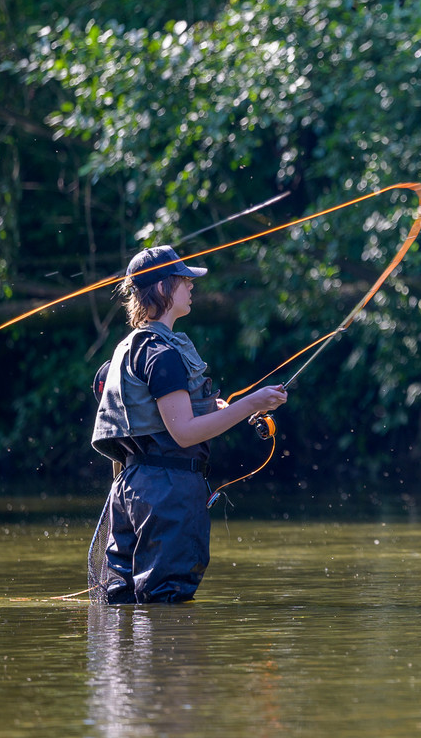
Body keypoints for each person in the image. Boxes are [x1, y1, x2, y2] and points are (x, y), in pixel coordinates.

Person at [90, 245, 287, 603]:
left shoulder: (125, 351)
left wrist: (214, 406)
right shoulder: (162, 355)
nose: (192, 286)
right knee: (168, 602)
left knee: (121, 602)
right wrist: (252, 403)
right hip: (168, 492)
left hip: (129, 489)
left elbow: (146, 421)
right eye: (184, 280)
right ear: (163, 288)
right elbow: (183, 433)